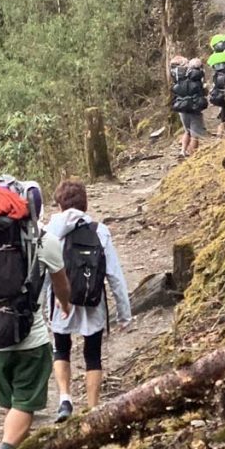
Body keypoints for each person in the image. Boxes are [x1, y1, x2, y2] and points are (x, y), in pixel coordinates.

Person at [0, 183, 72, 449]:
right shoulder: (44, 240)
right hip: (30, 340)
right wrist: (64, 303)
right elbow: (61, 284)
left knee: (13, 402)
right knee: (24, 405)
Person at [46, 179, 132, 422]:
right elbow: (114, 275)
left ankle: (65, 399)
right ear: (85, 204)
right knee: (92, 354)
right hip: (93, 300)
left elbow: (44, 272)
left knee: (61, 348)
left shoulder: (51, 231)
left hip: (62, 302)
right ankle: (93, 410)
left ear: (60, 205)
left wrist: (43, 306)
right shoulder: (100, 231)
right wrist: (124, 313)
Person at [169, 56, 209, 156]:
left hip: (181, 107)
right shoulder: (196, 77)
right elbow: (204, 91)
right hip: (194, 107)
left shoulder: (178, 78)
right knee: (195, 134)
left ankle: (183, 151)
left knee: (187, 131)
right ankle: (192, 155)